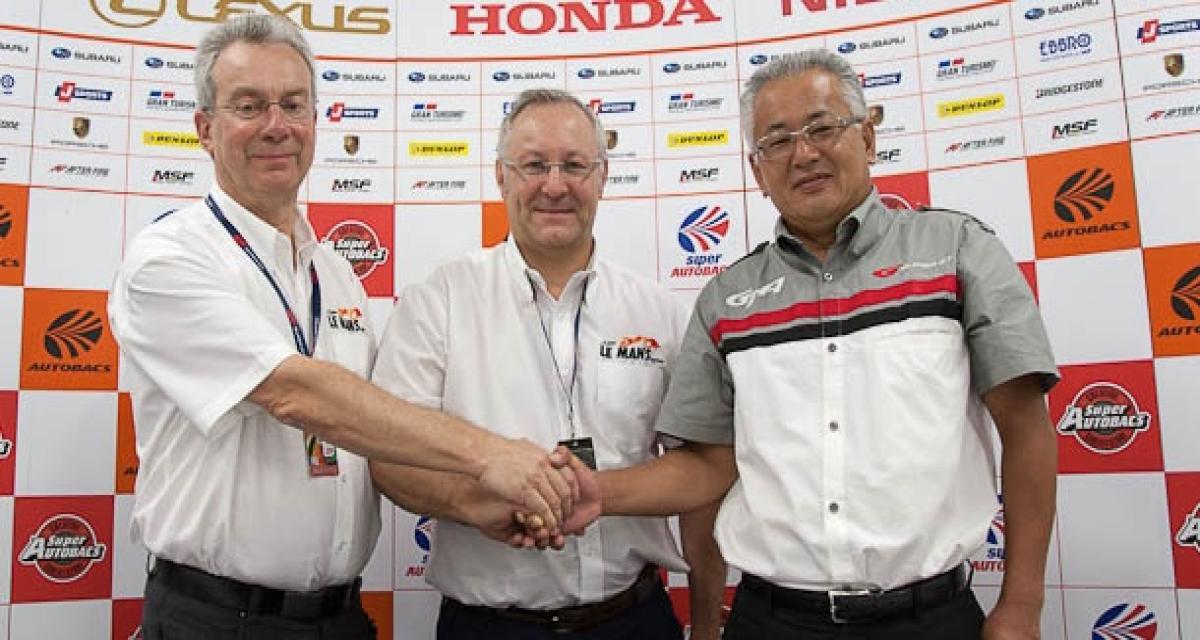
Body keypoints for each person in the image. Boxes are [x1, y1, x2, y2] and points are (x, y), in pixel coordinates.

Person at [560, 49, 1059, 640]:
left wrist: (1022, 604)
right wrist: (702, 617)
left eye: (822, 128)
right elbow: (706, 470)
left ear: (867, 139)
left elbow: (1026, 429)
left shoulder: (958, 250)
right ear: (757, 171)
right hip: (770, 621)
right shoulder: (726, 299)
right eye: (777, 142)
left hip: (932, 619)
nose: (803, 154)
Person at [108, 15, 576, 639]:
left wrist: (471, 503)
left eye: (293, 104)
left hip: (341, 617)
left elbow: (370, 428)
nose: (276, 125)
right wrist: (493, 455)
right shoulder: (169, 258)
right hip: (218, 619)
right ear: (205, 129)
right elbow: (295, 393)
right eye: (248, 106)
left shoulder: (334, 272)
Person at [369, 88, 724, 639]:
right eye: (534, 165)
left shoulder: (658, 309)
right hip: (488, 627)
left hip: (634, 620)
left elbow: (702, 466)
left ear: (603, 177)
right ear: (501, 176)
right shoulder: (439, 299)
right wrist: (473, 500)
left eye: (574, 165)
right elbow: (391, 459)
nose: (555, 186)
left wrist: (704, 623)